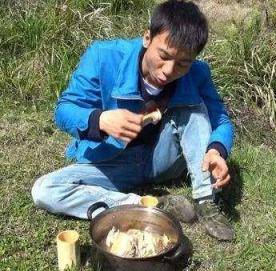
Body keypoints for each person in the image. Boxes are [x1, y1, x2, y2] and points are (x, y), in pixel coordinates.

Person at [31, 0, 235, 241]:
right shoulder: (102, 57)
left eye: (183, 63)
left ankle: (205, 200)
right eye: (164, 56)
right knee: (44, 190)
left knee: (195, 108)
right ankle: (146, 204)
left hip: (164, 160)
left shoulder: (198, 73)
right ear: (147, 38)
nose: (169, 71)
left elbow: (221, 119)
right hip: (113, 161)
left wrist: (215, 150)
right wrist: (101, 120)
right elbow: (63, 110)